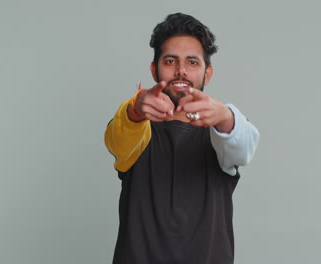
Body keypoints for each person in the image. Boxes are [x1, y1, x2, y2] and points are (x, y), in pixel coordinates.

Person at [104, 13, 260, 264]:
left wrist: (224, 114)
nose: (181, 71)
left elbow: (243, 146)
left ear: (207, 74)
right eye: (170, 61)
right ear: (154, 69)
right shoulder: (135, 129)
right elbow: (117, 136)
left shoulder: (222, 133)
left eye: (192, 62)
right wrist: (135, 107)